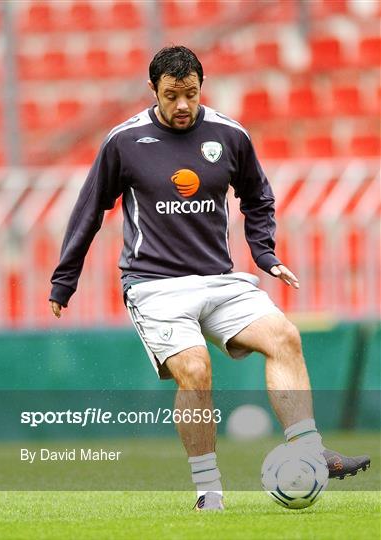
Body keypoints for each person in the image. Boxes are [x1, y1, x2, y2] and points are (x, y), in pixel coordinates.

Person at [50, 45, 370, 511]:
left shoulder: (229, 134)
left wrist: (264, 253)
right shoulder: (125, 141)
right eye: (171, 95)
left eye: (191, 94)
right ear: (153, 90)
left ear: (202, 86)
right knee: (196, 369)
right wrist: (65, 280)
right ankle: (209, 492)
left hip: (219, 279)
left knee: (284, 336)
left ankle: (308, 450)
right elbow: (89, 210)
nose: (182, 105)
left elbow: (258, 197)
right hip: (154, 285)